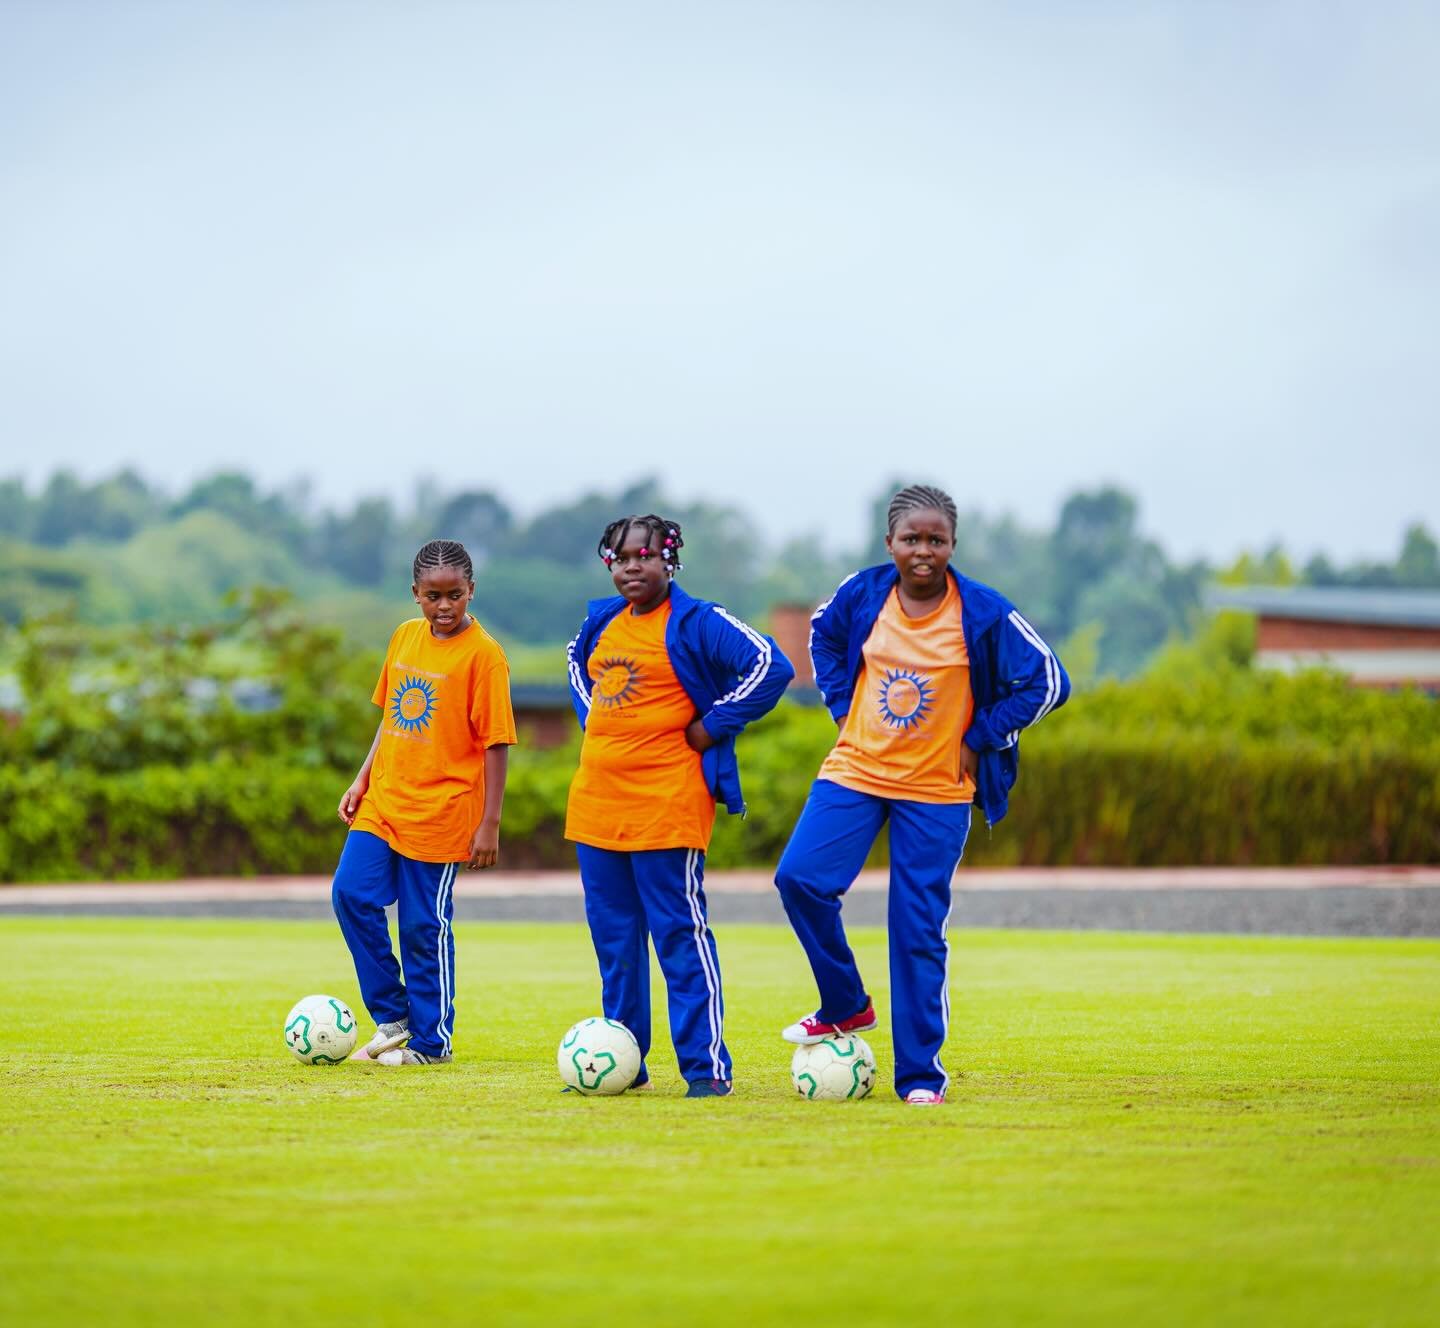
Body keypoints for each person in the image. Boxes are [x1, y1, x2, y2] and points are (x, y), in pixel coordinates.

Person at [775, 484, 1069, 1104]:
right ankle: (846, 1004)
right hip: (855, 771)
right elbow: (822, 634)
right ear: (890, 544)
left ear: (953, 545)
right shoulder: (863, 592)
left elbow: (1048, 680)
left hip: (937, 791)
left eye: (936, 540)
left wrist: (981, 735)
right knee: (799, 879)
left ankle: (919, 1078)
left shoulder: (983, 612)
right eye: (912, 539)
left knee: (914, 927)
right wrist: (840, 702)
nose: (924, 551)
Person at [565, 514, 794, 1097]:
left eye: (645, 556)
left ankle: (705, 1072)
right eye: (620, 558)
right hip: (597, 807)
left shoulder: (697, 621)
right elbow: (575, 665)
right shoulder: (601, 623)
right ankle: (625, 1066)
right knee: (615, 945)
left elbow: (772, 666)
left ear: (670, 561)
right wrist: (597, 719)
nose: (632, 567)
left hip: (666, 805)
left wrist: (713, 725)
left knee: (679, 938)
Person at [331, 539, 516, 1066]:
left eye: (454, 595)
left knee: (421, 926)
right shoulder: (404, 638)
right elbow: (391, 717)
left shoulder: (485, 656)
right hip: (385, 801)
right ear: (414, 594)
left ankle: (431, 1044)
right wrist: (362, 779)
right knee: (350, 895)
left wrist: (490, 823)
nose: (443, 606)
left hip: (444, 813)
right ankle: (392, 1016)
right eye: (433, 596)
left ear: (470, 591)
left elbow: (497, 744)